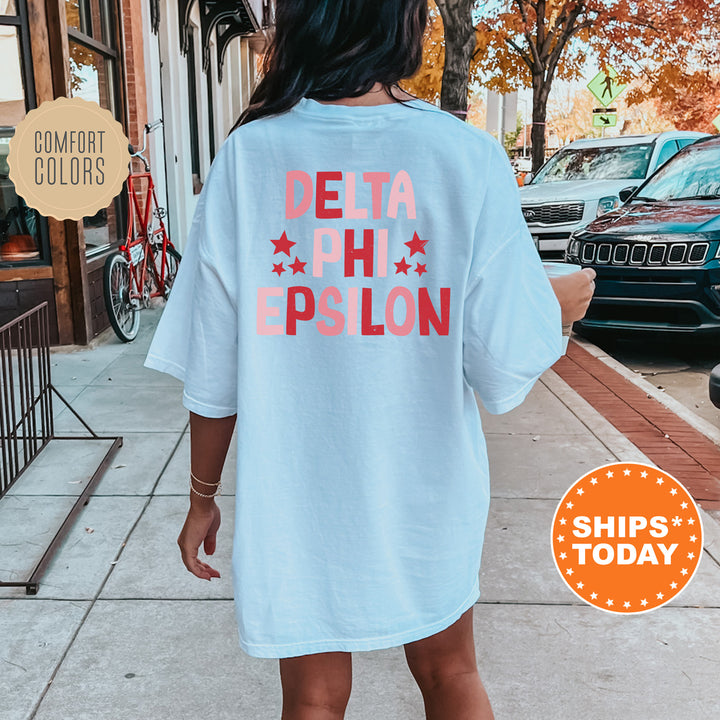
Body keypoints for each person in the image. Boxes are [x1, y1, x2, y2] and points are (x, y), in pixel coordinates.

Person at [143, 1, 596, 718]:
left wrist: (202, 497)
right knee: (451, 673)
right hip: (428, 483)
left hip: (298, 490)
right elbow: (503, 356)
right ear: (405, 23)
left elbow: (213, 363)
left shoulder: (250, 156)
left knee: (314, 698)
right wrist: (561, 306)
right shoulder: (465, 155)